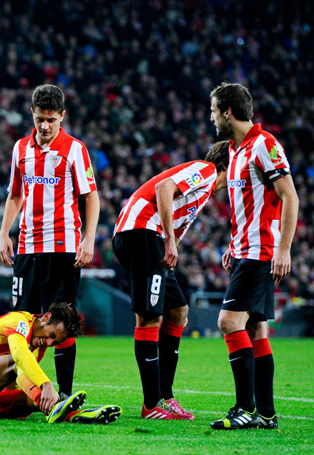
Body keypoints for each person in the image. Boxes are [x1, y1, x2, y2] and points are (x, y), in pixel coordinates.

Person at [112, 141, 230, 420]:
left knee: (178, 311)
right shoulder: (208, 170)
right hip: (141, 232)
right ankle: (151, 405)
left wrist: (168, 241)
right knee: (150, 318)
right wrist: (169, 240)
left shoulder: (208, 186)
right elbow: (163, 189)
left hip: (147, 236)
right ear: (230, 161)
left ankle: (166, 396)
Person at [0, 84, 99, 398]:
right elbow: (15, 195)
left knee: (62, 322)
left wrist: (89, 239)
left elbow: (91, 197)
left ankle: (65, 394)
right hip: (28, 247)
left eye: (51, 120)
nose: (44, 126)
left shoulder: (74, 149)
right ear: (32, 114)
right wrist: (4, 232)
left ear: (62, 117)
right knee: (21, 323)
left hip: (63, 247)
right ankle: (21, 390)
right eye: (40, 118)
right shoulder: (19, 149)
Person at [208, 82, 299, 430]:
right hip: (244, 250)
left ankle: (244, 408)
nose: (212, 117)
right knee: (256, 329)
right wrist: (234, 243)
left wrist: (284, 248)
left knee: (228, 322)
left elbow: (289, 196)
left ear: (228, 112)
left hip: (260, 252)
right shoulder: (235, 151)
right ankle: (266, 413)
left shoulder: (265, 145)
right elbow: (247, 207)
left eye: (215, 110)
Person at [0, 302, 121, 424]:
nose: (49, 343)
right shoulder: (19, 322)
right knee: (21, 362)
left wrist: (41, 398)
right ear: (46, 317)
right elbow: (19, 356)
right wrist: (46, 384)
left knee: (36, 401)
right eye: (51, 335)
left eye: (55, 343)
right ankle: (60, 406)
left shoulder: (36, 347)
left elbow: (17, 378)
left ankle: (74, 414)